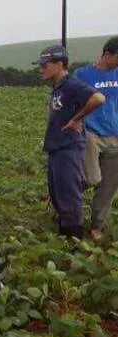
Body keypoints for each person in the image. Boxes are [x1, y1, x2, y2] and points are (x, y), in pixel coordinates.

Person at [36, 45, 106, 239]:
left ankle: (73, 238)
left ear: (60, 64)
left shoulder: (71, 84)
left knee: (68, 193)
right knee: (58, 192)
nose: (41, 69)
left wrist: (77, 118)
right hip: (57, 146)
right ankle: (66, 232)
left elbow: (98, 98)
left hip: (68, 146)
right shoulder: (58, 87)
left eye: (45, 65)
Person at [75, 36, 118, 241]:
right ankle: (63, 194)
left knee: (109, 184)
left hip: (114, 135)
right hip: (90, 133)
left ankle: (96, 226)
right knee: (91, 177)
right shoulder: (83, 74)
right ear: (107, 54)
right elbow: (71, 101)